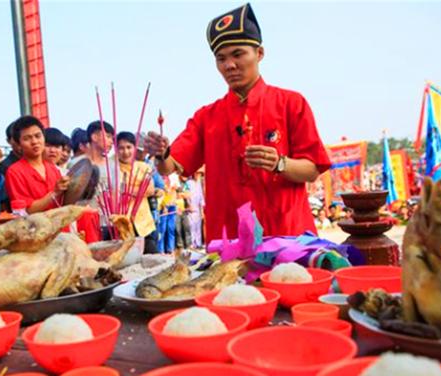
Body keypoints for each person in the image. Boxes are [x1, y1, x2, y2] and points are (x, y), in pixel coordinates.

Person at [144, 3, 331, 243]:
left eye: (238, 54)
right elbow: (170, 167)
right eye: (221, 58)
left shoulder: (291, 103)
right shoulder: (206, 117)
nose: (229, 65)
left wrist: (280, 164)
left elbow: (313, 168)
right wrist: (161, 153)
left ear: (259, 53)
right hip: (230, 244)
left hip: (288, 237)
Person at [5, 116, 69, 213]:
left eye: (38, 136)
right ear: (18, 144)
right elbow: (26, 210)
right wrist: (54, 193)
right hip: (36, 227)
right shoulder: (14, 172)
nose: (34, 142)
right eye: (27, 138)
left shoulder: (52, 168)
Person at [116, 131, 157, 253]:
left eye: (129, 147)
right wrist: (137, 189)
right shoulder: (113, 168)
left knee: (153, 257)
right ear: (116, 149)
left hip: (144, 223)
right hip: (122, 224)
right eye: (121, 148)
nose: (126, 152)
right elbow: (115, 191)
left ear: (135, 148)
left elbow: (150, 190)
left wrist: (126, 190)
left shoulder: (143, 167)